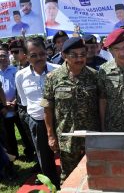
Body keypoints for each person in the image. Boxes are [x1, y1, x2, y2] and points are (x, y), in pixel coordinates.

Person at [41, 37, 100, 182]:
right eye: (74, 55)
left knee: (94, 175)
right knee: (68, 177)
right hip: (67, 138)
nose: (79, 58)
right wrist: (50, 135)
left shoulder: (95, 76)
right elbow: (48, 108)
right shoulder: (53, 78)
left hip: (91, 137)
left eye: (82, 54)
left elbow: (101, 105)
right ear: (64, 55)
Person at [15, 37, 60, 188]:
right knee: (44, 158)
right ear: (26, 57)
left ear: (46, 53)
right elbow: (24, 101)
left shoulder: (58, 70)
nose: (39, 58)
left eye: (42, 53)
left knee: (65, 154)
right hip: (37, 121)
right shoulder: (20, 76)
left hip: (59, 120)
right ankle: (52, 185)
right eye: (33, 55)